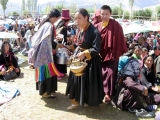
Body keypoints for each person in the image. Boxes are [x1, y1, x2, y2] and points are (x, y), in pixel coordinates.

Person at [66, 8, 104, 110]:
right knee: (76, 80)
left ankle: (87, 101)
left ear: (86, 17)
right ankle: (76, 101)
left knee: (88, 82)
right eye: (75, 18)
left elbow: (96, 49)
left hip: (91, 61)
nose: (77, 21)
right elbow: (79, 44)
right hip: (79, 58)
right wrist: (73, 49)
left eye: (79, 18)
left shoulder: (95, 31)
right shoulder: (80, 29)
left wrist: (85, 53)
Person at [96, 5, 127, 103]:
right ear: (100, 15)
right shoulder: (97, 26)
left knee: (111, 74)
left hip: (112, 55)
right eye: (103, 14)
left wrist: (115, 52)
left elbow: (120, 38)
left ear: (110, 14)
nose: (104, 16)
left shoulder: (115, 25)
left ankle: (109, 94)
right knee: (102, 74)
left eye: (106, 14)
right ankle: (102, 92)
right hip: (100, 55)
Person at [29, 9, 63, 98]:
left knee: (44, 72)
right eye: (57, 18)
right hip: (45, 54)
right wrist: (57, 45)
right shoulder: (49, 26)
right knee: (47, 73)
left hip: (41, 53)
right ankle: (46, 92)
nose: (57, 20)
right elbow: (47, 41)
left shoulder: (45, 24)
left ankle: (44, 91)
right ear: (54, 17)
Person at [55, 9, 71, 75]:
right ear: (66, 21)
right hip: (61, 46)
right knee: (61, 60)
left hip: (57, 46)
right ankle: (61, 73)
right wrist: (65, 45)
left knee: (59, 60)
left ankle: (60, 73)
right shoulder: (64, 28)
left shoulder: (59, 27)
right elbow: (62, 39)